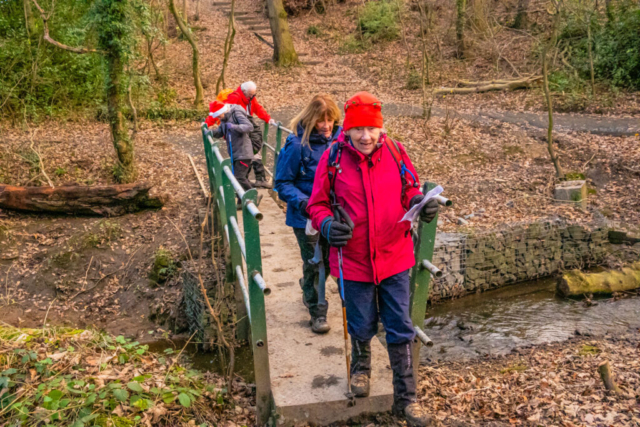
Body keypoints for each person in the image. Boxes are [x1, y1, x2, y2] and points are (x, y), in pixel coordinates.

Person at [307, 92, 439, 427]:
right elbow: (317, 204)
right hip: (352, 259)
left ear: (381, 128)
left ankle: (406, 400)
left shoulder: (395, 151)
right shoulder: (334, 158)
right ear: (347, 129)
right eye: (358, 129)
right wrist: (326, 225)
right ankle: (362, 368)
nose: (366, 136)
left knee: (400, 327)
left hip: (395, 256)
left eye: (372, 128)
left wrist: (422, 203)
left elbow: (409, 188)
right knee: (362, 322)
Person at [274, 94, 342, 334]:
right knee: (316, 262)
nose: (326, 125)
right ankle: (317, 312)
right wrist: (303, 203)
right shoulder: (296, 145)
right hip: (305, 216)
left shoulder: (341, 141)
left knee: (331, 262)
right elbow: (282, 183)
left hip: (334, 215)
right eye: (321, 120)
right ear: (311, 119)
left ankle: (307, 287)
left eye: (330, 120)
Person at [226, 81, 277, 189]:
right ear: (244, 92)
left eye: (254, 94)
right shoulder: (234, 98)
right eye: (250, 94)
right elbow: (226, 113)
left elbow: (257, 108)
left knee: (254, 149)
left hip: (248, 126)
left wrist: (268, 118)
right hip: (240, 129)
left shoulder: (250, 98)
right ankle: (246, 181)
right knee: (246, 153)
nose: (252, 96)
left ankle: (258, 178)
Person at [207, 101, 255, 208]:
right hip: (235, 152)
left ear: (223, 111)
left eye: (219, 115)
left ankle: (252, 196)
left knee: (239, 177)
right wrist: (210, 132)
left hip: (243, 152)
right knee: (237, 177)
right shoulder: (224, 119)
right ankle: (241, 201)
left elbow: (249, 127)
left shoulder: (236, 113)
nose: (218, 118)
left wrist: (234, 127)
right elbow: (220, 132)